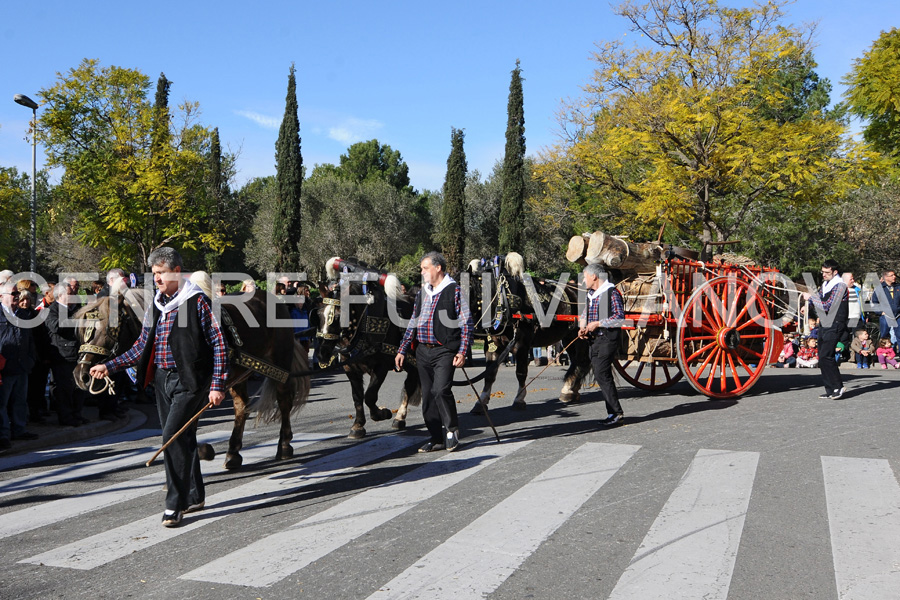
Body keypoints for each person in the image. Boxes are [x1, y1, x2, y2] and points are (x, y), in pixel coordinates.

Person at [89, 247, 228, 527]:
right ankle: (194, 495)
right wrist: (110, 366)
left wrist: (217, 385)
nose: (158, 279)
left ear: (177, 271)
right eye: (154, 274)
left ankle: (174, 505)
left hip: (190, 380)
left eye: (162, 273)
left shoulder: (198, 302)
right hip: (162, 379)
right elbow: (142, 346)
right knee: (183, 436)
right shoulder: (157, 303)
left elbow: (219, 345)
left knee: (172, 437)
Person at [395, 251, 473, 453]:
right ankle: (436, 437)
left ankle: (451, 431)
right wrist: (403, 349)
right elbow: (413, 323)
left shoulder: (454, 291)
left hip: (445, 350)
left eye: (425, 268)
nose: (422, 272)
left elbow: (466, 323)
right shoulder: (422, 293)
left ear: (438, 268)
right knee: (428, 395)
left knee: (440, 390)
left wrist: (462, 351)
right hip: (422, 351)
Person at [578, 264, 626, 427]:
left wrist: (598, 323)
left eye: (585, 276)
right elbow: (585, 313)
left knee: (602, 373)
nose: (583, 280)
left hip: (607, 339)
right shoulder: (591, 294)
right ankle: (613, 412)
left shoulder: (612, 293)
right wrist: (583, 327)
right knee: (601, 374)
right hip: (594, 340)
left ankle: (616, 413)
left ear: (594, 277)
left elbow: (620, 318)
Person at [802, 260, 849, 399]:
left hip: (835, 323)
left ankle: (838, 387)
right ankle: (830, 389)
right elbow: (819, 298)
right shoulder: (826, 284)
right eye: (823, 272)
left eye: (827, 272)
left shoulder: (840, 286)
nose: (824, 274)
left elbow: (827, 305)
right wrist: (808, 304)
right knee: (822, 357)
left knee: (827, 356)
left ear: (835, 272)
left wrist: (811, 297)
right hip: (825, 323)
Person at [0, 282, 38, 449]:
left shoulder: (23, 314)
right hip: (4, 367)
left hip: (22, 365)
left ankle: (19, 429)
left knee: (20, 400)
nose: (16, 297)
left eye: (16, 293)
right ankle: (3, 434)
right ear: (2, 296)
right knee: (2, 403)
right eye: (12, 294)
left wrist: (31, 358)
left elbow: (29, 339)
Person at [45, 284, 89, 426]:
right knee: (64, 389)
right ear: (60, 295)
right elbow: (56, 327)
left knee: (79, 387)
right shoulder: (52, 310)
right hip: (62, 356)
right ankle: (66, 417)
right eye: (69, 294)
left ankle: (77, 414)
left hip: (77, 353)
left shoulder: (75, 309)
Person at [873, 270, 900, 349]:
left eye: (894, 275)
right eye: (891, 275)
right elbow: (874, 302)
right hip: (885, 316)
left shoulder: (898, 287)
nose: (894, 277)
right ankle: (883, 354)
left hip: (898, 315)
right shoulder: (880, 288)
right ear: (886, 277)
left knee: (899, 335)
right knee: (884, 335)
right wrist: (880, 312)